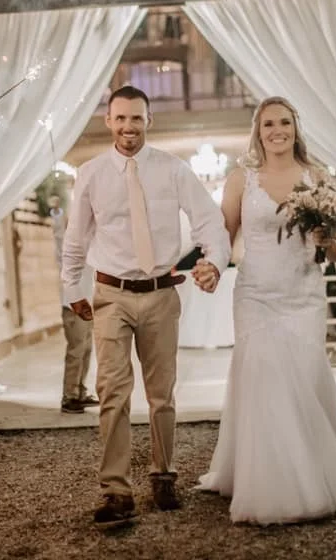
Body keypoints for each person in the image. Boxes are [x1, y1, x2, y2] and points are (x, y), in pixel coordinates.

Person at [61, 85, 230, 529]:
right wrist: (71, 288)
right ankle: (116, 491)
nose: (128, 126)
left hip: (160, 294)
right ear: (108, 121)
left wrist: (214, 261)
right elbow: (76, 238)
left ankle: (163, 474)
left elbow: (209, 221)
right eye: (120, 118)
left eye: (136, 118)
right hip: (111, 295)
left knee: (161, 394)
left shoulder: (173, 170)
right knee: (112, 392)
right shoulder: (91, 173)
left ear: (148, 120)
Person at [197, 96, 336, 525]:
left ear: (296, 128)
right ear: (258, 131)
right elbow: (223, 236)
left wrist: (326, 241)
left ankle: (312, 472)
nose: (277, 131)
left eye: (285, 123)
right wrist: (213, 267)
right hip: (256, 294)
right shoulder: (241, 179)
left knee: (303, 378)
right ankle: (270, 482)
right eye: (269, 124)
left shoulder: (317, 177)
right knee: (265, 377)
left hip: (303, 294)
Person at [48, 193, 97, 414]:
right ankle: (69, 396)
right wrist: (57, 211)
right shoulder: (67, 245)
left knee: (86, 350)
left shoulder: (90, 245)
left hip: (89, 305)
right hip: (72, 306)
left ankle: (80, 391)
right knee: (76, 351)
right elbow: (58, 232)